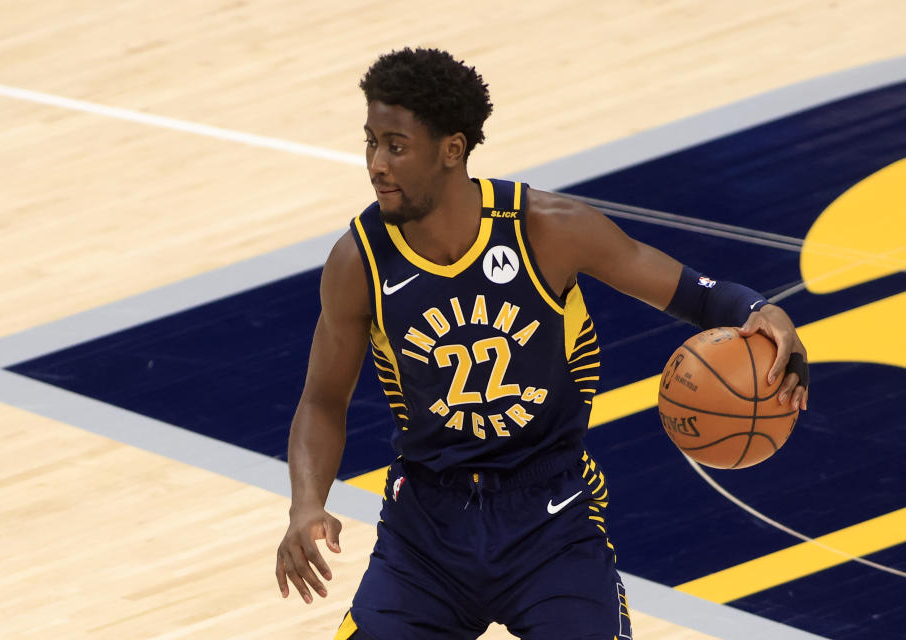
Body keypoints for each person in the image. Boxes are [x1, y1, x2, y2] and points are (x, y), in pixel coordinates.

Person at [275, 47, 809, 640]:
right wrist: (305, 504)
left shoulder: (547, 230)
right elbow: (323, 400)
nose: (376, 163)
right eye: (370, 141)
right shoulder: (360, 261)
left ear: (452, 149)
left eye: (395, 146)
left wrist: (761, 312)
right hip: (425, 530)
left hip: (551, 522)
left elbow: (697, 296)